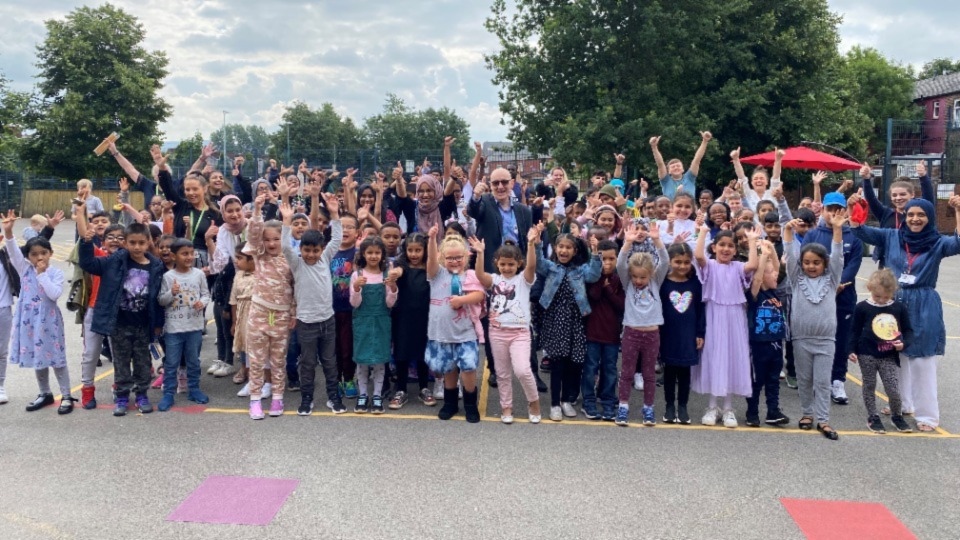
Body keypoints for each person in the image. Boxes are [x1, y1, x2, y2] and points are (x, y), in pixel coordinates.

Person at [851, 197, 960, 432]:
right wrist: (856, 208)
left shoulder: (938, 242)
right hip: (895, 303)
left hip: (924, 304)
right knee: (896, 358)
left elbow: (958, 243)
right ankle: (902, 403)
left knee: (922, 360)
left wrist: (958, 211)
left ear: (930, 217)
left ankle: (928, 416)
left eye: (921, 215)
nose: (915, 219)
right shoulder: (891, 236)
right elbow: (862, 231)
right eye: (911, 214)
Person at [78, 208, 165, 417]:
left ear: (148, 243)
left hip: (143, 324)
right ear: (125, 243)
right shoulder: (115, 261)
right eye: (132, 242)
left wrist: (157, 324)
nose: (136, 247)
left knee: (143, 362)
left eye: (141, 243)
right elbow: (89, 263)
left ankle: (142, 394)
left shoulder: (156, 265)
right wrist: (86, 243)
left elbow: (157, 299)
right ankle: (123, 395)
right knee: (121, 362)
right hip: (119, 323)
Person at [783, 210, 847, 441]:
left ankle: (823, 420)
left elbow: (838, 257)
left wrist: (837, 229)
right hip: (801, 338)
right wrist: (788, 231)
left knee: (822, 381)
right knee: (804, 379)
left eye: (816, 263)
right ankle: (807, 414)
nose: (811, 266)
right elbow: (790, 255)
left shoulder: (831, 280)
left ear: (824, 264)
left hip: (825, 340)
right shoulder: (796, 279)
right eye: (807, 262)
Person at [1, 210, 71, 413]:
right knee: (38, 356)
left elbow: (54, 294)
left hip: (49, 321)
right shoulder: (24, 269)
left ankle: (66, 395)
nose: (39, 257)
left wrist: (42, 275)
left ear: (50, 253)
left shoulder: (55, 273)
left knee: (57, 358)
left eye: (43, 253)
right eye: (34, 254)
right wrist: (8, 232)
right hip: (30, 321)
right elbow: (13, 251)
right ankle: (45, 393)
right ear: (28, 257)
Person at [470, 229, 541, 424]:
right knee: (502, 373)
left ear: (519, 264)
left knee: (523, 370)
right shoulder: (494, 279)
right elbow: (478, 275)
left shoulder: (524, 280)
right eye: (503, 264)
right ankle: (506, 406)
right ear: (497, 264)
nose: (507, 268)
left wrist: (531, 245)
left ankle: (533, 402)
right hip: (497, 332)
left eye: (511, 264)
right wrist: (480, 253)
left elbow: (532, 266)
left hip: (520, 333)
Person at [693, 224, 760, 428]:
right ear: (714, 247)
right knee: (715, 358)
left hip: (734, 318)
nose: (726, 249)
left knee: (732, 359)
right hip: (714, 316)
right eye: (721, 245)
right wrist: (703, 232)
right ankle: (712, 407)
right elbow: (698, 257)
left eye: (730, 245)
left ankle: (729, 408)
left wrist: (751, 241)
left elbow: (752, 266)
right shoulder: (710, 265)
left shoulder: (738, 267)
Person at [801, 192, 862, 406]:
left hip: (843, 297)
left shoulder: (853, 237)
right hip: (816, 297)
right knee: (818, 339)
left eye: (838, 208)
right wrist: (824, 287)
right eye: (829, 209)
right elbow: (805, 264)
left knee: (841, 339)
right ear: (823, 210)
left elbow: (852, 267)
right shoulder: (812, 236)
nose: (834, 213)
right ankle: (819, 381)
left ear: (844, 210)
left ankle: (838, 380)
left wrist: (838, 284)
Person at [285, 192, 343, 415]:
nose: (311, 254)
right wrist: (286, 221)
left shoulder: (326, 258)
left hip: (327, 321)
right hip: (306, 323)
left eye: (315, 250)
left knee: (329, 362)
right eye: (307, 250)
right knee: (307, 364)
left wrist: (335, 214)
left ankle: (333, 397)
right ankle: (306, 397)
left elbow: (336, 239)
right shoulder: (297, 263)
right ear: (300, 249)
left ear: (322, 250)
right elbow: (284, 246)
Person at [535, 230, 602, 422]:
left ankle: (566, 400)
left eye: (568, 247)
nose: (564, 250)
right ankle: (555, 403)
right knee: (557, 364)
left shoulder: (580, 270)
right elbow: (538, 264)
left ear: (574, 251)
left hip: (575, 321)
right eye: (561, 247)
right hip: (555, 320)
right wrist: (538, 244)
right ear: (555, 249)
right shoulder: (551, 267)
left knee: (574, 363)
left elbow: (594, 275)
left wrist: (595, 252)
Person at [425, 225, 487, 423]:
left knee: (468, 369)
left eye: (458, 257)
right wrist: (432, 239)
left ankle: (470, 404)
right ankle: (450, 403)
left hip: (465, 332)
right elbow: (431, 260)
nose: (454, 261)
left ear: (465, 256)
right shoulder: (437, 275)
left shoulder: (469, 275)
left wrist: (462, 301)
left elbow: (479, 294)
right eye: (450, 257)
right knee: (449, 369)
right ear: (443, 258)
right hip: (442, 332)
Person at [244, 197, 297, 420]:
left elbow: (296, 288)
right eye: (268, 240)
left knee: (278, 360)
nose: (272, 243)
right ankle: (255, 400)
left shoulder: (291, 258)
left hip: (282, 315)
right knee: (256, 360)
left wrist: (293, 312)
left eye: (276, 239)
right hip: (259, 313)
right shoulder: (260, 255)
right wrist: (257, 210)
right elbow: (253, 235)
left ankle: (277, 397)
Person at [615, 222, 669, 426]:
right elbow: (621, 264)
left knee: (648, 374)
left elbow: (664, 261)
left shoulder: (656, 281)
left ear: (651, 275)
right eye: (635, 276)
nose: (638, 280)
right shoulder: (627, 282)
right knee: (627, 372)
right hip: (631, 332)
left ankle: (648, 408)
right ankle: (623, 407)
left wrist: (656, 240)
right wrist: (627, 243)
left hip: (652, 333)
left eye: (642, 277)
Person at [848, 268, 913, 434]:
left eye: (886, 297)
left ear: (893, 292)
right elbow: (854, 330)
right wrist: (851, 349)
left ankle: (897, 416)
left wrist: (903, 344)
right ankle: (873, 416)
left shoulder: (898, 308)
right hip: (866, 353)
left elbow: (908, 330)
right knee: (869, 385)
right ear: (870, 288)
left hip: (888, 355)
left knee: (893, 388)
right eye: (878, 297)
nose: (882, 300)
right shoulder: (862, 307)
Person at [157, 239, 211, 411]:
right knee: (171, 362)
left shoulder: (199, 274)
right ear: (174, 256)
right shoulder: (168, 277)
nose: (189, 257)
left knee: (193, 361)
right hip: (174, 328)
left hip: (194, 327)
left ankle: (194, 389)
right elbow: (161, 300)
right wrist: (170, 293)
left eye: (191, 253)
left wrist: (202, 303)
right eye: (184, 253)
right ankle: (169, 393)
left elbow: (206, 294)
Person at [349, 236, 400, 414]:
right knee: (362, 361)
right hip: (362, 321)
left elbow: (390, 304)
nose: (373, 256)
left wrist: (393, 288)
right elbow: (354, 304)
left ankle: (377, 395)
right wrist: (356, 288)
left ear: (382, 255)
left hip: (381, 321)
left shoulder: (386, 275)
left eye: (377, 252)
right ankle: (363, 394)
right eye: (369, 252)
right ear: (363, 254)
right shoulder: (357, 275)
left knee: (379, 360)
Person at [744, 240, 790, 428]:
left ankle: (773, 411)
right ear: (762, 277)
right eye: (770, 273)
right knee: (757, 381)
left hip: (776, 344)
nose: (776, 275)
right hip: (758, 346)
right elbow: (756, 279)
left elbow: (780, 270)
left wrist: (771, 251)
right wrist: (763, 257)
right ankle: (752, 412)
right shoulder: (755, 295)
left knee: (773, 381)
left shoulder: (775, 293)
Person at [855, 162, 935, 268]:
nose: (898, 198)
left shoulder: (920, 214)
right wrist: (866, 179)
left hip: (916, 263)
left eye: (902, 194)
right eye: (894, 195)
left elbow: (928, 200)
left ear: (912, 195)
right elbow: (871, 199)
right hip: (888, 264)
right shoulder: (885, 214)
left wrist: (923, 177)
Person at [659, 243, 705, 425]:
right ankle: (670, 406)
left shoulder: (695, 283)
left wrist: (700, 332)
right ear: (669, 261)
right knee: (669, 371)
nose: (682, 266)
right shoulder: (663, 283)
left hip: (688, 334)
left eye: (686, 262)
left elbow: (700, 310)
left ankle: (683, 406)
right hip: (668, 333)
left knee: (685, 372)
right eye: (677, 262)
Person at [389, 233, 434, 409]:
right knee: (402, 352)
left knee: (423, 352)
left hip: (425, 315)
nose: (414, 254)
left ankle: (424, 387)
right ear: (405, 250)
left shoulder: (430, 268)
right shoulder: (401, 265)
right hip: (403, 316)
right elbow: (398, 271)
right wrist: (394, 273)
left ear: (425, 250)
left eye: (418, 250)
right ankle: (401, 389)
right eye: (410, 250)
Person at [582, 240, 625, 421]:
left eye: (611, 258)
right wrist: (601, 279)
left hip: (612, 334)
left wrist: (608, 288)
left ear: (617, 259)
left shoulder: (621, 279)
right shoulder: (592, 278)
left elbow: (621, 305)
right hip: (592, 332)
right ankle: (588, 400)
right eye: (603, 258)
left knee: (610, 369)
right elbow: (594, 295)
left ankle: (607, 400)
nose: (607, 262)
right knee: (590, 368)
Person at [649, 131, 712, 201]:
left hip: (690, 210)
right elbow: (660, 164)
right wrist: (654, 147)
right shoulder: (665, 180)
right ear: (669, 171)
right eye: (673, 167)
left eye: (678, 166)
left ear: (683, 169)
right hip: (671, 210)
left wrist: (705, 141)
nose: (676, 167)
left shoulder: (690, 177)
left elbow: (697, 160)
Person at [230, 244, 258, 398]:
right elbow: (234, 299)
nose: (236, 261)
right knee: (244, 344)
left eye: (239, 258)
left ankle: (258, 377)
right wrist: (235, 322)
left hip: (256, 313)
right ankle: (245, 369)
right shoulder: (238, 275)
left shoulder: (261, 274)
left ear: (252, 260)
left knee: (255, 346)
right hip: (242, 313)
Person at [730, 147, 784, 211]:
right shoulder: (748, 193)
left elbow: (776, 177)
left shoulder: (772, 193)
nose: (758, 180)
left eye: (761, 178)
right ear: (752, 182)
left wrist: (778, 160)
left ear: (767, 182)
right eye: (755, 179)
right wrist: (736, 160)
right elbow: (741, 177)